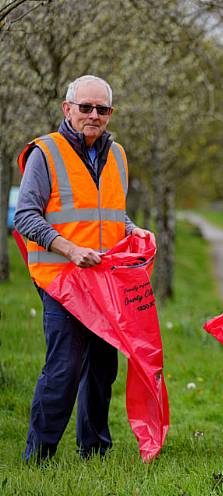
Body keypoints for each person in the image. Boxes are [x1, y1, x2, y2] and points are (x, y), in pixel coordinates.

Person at [14, 75, 152, 461]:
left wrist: (131, 228)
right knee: (64, 368)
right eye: (86, 107)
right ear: (67, 108)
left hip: (105, 281)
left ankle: (94, 451)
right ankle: (37, 456)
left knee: (103, 368)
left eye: (102, 109)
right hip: (61, 279)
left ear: (111, 114)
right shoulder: (47, 152)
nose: (94, 115)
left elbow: (106, 213)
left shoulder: (117, 154)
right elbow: (25, 215)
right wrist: (69, 249)